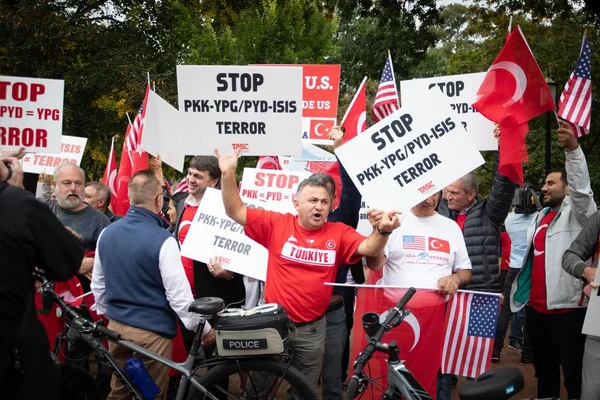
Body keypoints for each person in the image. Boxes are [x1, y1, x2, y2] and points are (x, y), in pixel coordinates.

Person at [216, 147, 400, 391]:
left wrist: (383, 231)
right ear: (297, 202)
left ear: (331, 206)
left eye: (324, 202)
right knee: (259, 388)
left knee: (305, 390)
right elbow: (235, 210)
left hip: (313, 329)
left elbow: (368, 247)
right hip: (274, 324)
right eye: (313, 200)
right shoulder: (276, 223)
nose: (319, 206)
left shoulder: (339, 232)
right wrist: (228, 174)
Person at [91, 170, 214, 400]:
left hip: (117, 328)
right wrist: (205, 331)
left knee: (120, 391)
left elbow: (98, 286)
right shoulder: (163, 240)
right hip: (151, 336)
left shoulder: (107, 232)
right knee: (151, 395)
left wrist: (115, 315)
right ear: (159, 200)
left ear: (130, 197)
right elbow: (180, 300)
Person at [510, 120, 596, 400]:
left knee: (572, 374)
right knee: (544, 372)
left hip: (568, 311)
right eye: (544, 183)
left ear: (567, 188)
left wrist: (572, 150)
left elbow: (583, 190)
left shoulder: (581, 214)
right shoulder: (539, 216)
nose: (544, 188)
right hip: (536, 311)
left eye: (551, 183)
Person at [366, 191, 472, 399]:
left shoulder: (450, 227)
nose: (427, 200)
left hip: (436, 318)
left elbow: (465, 270)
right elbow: (374, 263)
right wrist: (379, 232)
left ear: (441, 195)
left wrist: (455, 280)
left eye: (434, 194)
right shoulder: (395, 222)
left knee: (431, 376)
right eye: (422, 193)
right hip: (395, 317)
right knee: (391, 376)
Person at [0, 151, 84, 400]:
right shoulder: (18, 204)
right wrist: (14, 191)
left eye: (78, 183)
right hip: (13, 347)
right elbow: (67, 261)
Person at [43, 162, 110, 291]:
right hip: (44, 297)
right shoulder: (41, 211)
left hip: (81, 300)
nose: (73, 188)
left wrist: (94, 263)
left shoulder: (100, 220)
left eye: (78, 183)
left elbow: (113, 257)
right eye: (67, 183)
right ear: (55, 186)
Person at [492, 186, 541, 364]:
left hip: (512, 267)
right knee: (530, 310)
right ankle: (527, 356)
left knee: (505, 311)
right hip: (530, 267)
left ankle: (495, 351)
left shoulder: (509, 219)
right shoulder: (538, 217)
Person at [562, 211, 600, 400]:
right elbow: (569, 256)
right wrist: (586, 270)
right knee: (591, 393)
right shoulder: (599, 218)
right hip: (598, 327)